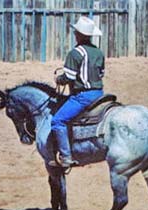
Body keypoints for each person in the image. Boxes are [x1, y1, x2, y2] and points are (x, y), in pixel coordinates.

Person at [50, 16, 105, 168]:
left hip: (83, 96)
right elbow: (101, 74)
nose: (75, 34)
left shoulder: (75, 53)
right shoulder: (98, 52)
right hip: (99, 94)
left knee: (57, 121)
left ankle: (66, 156)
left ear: (79, 34)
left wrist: (59, 79)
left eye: (76, 32)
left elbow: (69, 76)